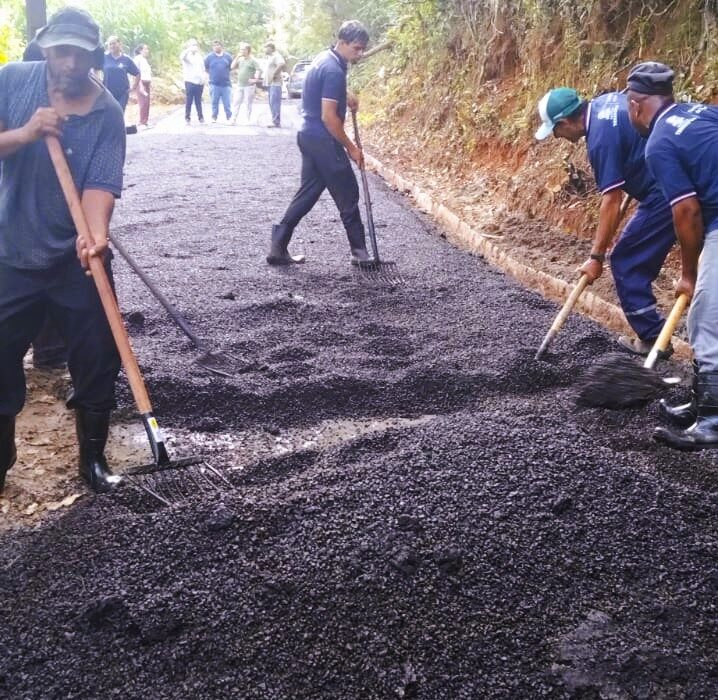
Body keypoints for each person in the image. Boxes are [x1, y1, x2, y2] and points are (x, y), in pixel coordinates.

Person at [0, 6, 126, 493]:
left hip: (75, 260)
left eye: (80, 53)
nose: (70, 63)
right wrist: (26, 133)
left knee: (98, 355)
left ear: (94, 55)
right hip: (12, 251)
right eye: (61, 51)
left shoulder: (106, 112)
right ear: (46, 49)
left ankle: (92, 460)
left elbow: (100, 184)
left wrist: (94, 234)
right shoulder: (13, 80)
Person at [535, 87, 676, 357]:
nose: (557, 137)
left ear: (564, 122)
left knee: (626, 260)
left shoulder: (600, 139)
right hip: (675, 172)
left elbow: (611, 200)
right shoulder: (605, 103)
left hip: (666, 190)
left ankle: (654, 338)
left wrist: (596, 257)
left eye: (555, 130)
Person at [625, 61, 718, 450]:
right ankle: (701, 402)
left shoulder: (659, 142)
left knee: (706, 317)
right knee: (703, 315)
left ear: (635, 105)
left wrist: (689, 274)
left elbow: (686, 211)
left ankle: (713, 420)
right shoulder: (701, 112)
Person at [268, 20, 370, 266]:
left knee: (309, 193)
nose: (360, 54)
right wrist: (351, 148)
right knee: (348, 193)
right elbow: (328, 117)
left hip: (307, 136)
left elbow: (320, 89)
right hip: (324, 140)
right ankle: (360, 253)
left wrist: (345, 95)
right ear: (342, 42)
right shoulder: (334, 70)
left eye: (362, 49)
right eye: (356, 48)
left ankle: (277, 246)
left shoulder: (324, 58)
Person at [102, 35, 139, 115]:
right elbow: (95, 70)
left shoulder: (126, 59)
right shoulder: (104, 57)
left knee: (119, 113)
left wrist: (133, 87)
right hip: (107, 92)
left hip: (122, 93)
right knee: (108, 114)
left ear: (119, 44)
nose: (112, 46)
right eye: (110, 44)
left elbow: (137, 73)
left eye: (114, 43)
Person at [230, 43, 260, 125]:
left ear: (247, 50)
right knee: (236, 102)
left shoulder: (253, 60)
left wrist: (255, 79)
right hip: (240, 84)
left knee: (248, 103)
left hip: (249, 86)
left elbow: (258, 70)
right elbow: (232, 67)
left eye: (243, 49)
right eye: (240, 49)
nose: (241, 51)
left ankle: (248, 120)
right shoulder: (240, 59)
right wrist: (237, 57)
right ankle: (233, 120)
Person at [205, 40, 232, 123]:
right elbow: (206, 68)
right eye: (214, 45)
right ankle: (214, 117)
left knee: (227, 103)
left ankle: (229, 117)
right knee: (214, 102)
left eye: (218, 45)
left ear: (221, 46)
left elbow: (231, 67)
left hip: (226, 84)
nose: (216, 46)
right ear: (212, 47)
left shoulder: (228, 56)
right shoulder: (209, 57)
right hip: (214, 84)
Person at [180, 38, 205, 124]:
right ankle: (187, 117)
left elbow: (202, 69)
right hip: (189, 81)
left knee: (198, 100)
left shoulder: (199, 57)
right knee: (189, 100)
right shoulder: (187, 56)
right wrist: (189, 49)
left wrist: (203, 79)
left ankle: (201, 117)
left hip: (199, 82)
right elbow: (182, 57)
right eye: (193, 45)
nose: (195, 46)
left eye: (195, 45)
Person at [263, 41, 285, 128]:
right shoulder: (270, 57)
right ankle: (274, 120)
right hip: (271, 83)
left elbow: (281, 63)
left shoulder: (276, 55)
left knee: (275, 102)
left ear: (271, 48)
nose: (265, 50)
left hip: (276, 83)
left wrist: (274, 74)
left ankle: (276, 122)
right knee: (272, 102)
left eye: (266, 48)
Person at [133, 43, 152, 128]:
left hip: (147, 83)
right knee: (143, 102)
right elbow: (136, 73)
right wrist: (140, 85)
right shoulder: (137, 59)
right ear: (140, 50)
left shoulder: (144, 60)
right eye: (145, 49)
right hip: (141, 82)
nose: (147, 51)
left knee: (147, 102)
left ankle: (145, 121)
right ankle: (141, 122)